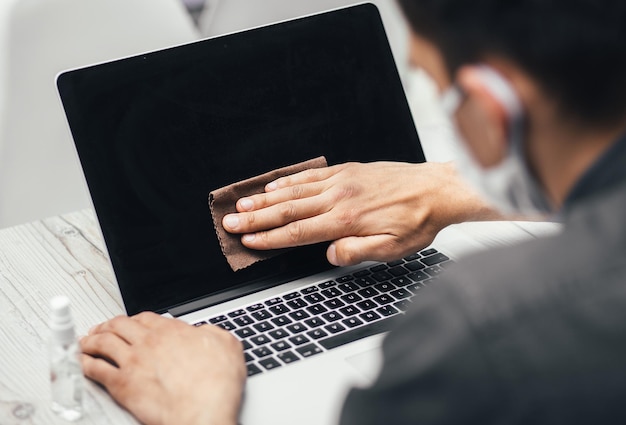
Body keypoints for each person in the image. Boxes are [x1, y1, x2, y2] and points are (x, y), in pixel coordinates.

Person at [80, 0, 626, 423]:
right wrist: (443, 189)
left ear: (490, 109)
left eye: (439, 89)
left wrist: (199, 408)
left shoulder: (476, 323)